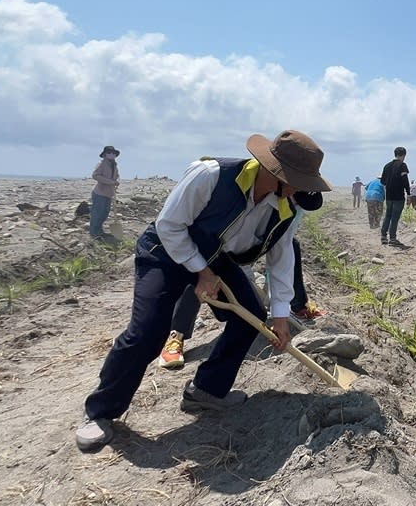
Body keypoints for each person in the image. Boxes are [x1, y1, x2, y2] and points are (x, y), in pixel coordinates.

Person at [75, 130, 331, 452]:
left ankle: (206, 390)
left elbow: (281, 265)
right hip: (165, 251)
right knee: (148, 333)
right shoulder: (211, 175)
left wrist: (280, 317)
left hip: (215, 257)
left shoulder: (284, 210)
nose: (298, 191)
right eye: (296, 181)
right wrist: (202, 272)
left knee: (251, 316)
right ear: (272, 171)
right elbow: (169, 224)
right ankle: (99, 411)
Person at [158, 191, 326, 369]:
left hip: (238, 260)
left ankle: (298, 306)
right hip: (209, 248)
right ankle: (176, 336)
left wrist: (279, 310)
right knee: (197, 280)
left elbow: (280, 259)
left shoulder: (288, 213)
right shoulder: (249, 199)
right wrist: (208, 273)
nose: (295, 205)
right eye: (295, 200)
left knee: (252, 306)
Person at [379, 146, 409, 247]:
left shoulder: (387, 166)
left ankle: (383, 236)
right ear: (403, 155)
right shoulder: (403, 165)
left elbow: (382, 181)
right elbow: (405, 181)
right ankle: (392, 238)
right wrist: (408, 193)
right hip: (398, 196)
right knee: (395, 217)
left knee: (388, 215)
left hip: (389, 195)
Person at [90, 145, 120, 239]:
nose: (112, 155)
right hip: (100, 193)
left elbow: (117, 175)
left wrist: (117, 181)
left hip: (109, 193)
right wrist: (110, 182)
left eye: (113, 153)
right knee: (98, 213)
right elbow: (95, 175)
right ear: (105, 155)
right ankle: (94, 233)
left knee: (104, 213)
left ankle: (100, 231)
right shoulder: (101, 164)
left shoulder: (114, 165)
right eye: (109, 153)